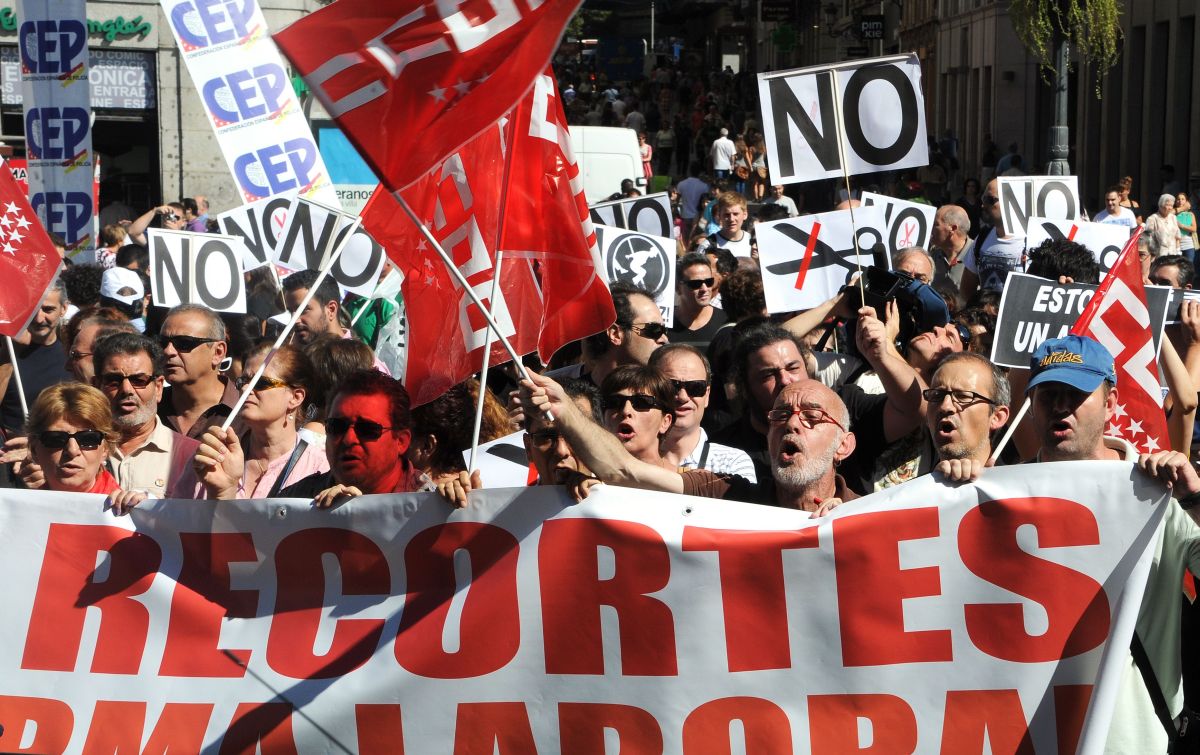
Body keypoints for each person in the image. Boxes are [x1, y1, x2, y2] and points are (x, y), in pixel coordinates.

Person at [1021, 335, 1200, 753]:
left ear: (1111, 401)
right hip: (1032, 737)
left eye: (1076, 393)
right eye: (1048, 394)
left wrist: (1193, 500)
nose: (1061, 406)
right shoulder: (1001, 496)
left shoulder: (1158, 491)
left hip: (1136, 740)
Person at [520, 371, 853, 514]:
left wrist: (853, 526)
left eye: (811, 418)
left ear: (844, 445)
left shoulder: (872, 511)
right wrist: (562, 409)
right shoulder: (728, 494)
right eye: (779, 416)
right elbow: (623, 470)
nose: (792, 423)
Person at [191, 344, 328, 499]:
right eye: (242, 381)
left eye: (261, 383)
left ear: (295, 397)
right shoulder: (212, 455)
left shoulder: (320, 468)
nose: (245, 389)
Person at [273, 369, 426, 504]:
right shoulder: (294, 502)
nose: (348, 439)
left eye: (367, 429)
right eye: (337, 427)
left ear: (401, 441)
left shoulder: (434, 511)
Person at [91, 332, 200, 499]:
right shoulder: (77, 449)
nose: (126, 389)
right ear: (97, 386)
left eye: (139, 380)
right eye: (114, 380)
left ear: (158, 388)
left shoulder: (191, 456)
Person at [650, 344, 756, 479]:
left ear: (707, 395)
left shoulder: (732, 462)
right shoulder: (628, 458)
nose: (683, 397)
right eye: (671, 386)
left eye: (695, 387)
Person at [546, 281, 667, 388]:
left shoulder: (671, 394)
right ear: (615, 334)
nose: (664, 339)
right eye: (654, 329)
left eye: (664, 331)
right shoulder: (558, 394)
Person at [0, 280, 72, 435]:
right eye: (32, 310)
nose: (39, 319)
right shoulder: (7, 349)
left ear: (63, 308)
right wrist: (7, 356)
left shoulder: (74, 352)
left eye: (48, 310)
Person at [157, 305, 239, 439]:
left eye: (184, 343)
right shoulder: (149, 408)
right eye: (162, 343)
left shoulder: (246, 413)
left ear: (218, 352)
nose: (168, 351)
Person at [924, 352, 1011, 480]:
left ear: (997, 417)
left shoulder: (1018, 494)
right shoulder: (908, 495)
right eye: (937, 395)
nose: (945, 406)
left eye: (963, 396)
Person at [25, 382, 120, 495]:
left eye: (88, 438)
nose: (72, 450)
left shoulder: (131, 510)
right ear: (34, 449)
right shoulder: (15, 510)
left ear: (105, 448)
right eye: (56, 439)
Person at [960, 178, 1027, 299]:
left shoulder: (1030, 242)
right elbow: (966, 290)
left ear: (1011, 201)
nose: (983, 205)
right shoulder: (982, 238)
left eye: (990, 200)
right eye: (982, 198)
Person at [667, 253, 728, 348]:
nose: (704, 289)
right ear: (678, 288)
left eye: (709, 282)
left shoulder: (725, 323)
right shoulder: (665, 324)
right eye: (696, 283)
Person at [930, 204, 973, 288]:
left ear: (952, 228)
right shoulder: (932, 255)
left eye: (936, 224)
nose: (931, 227)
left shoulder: (977, 255)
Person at [696, 191, 751, 257]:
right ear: (719, 215)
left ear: (745, 215)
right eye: (726, 215)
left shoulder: (753, 242)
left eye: (735, 214)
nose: (731, 219)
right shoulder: (707, 246)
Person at [1177, 192, 1197, 264]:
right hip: (1176, 246)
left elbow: (1194, 229)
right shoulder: (1173, 214)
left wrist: (1181, 226)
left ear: (1186, 201)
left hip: (1189, 245)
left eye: (1183, 199)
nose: (1180, 201)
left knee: (1189, 267)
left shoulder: (1190, 214)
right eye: (1178, 199)